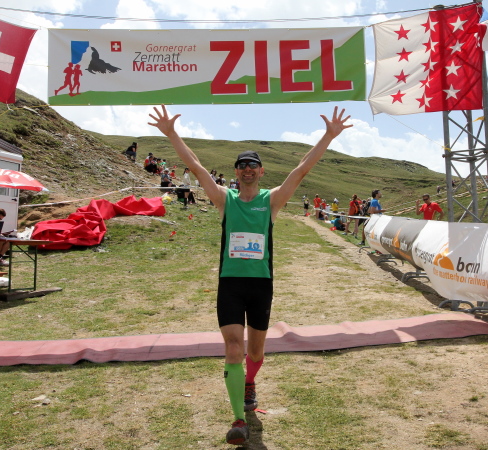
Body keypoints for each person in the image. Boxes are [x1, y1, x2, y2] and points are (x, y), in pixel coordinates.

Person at [148, 104, 351, 446]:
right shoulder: (224, 199)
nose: (247, 169)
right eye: (241, 165)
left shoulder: (271, 201)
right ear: (236, 172)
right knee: (233, 348)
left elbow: (301, 170)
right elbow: (196, 167)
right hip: (230, 284)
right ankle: (238, 420)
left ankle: (250, 382)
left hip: (260, 285)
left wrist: (328, 136)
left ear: (261, 171)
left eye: (252, 165)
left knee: (255, 353)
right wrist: (172, 134)